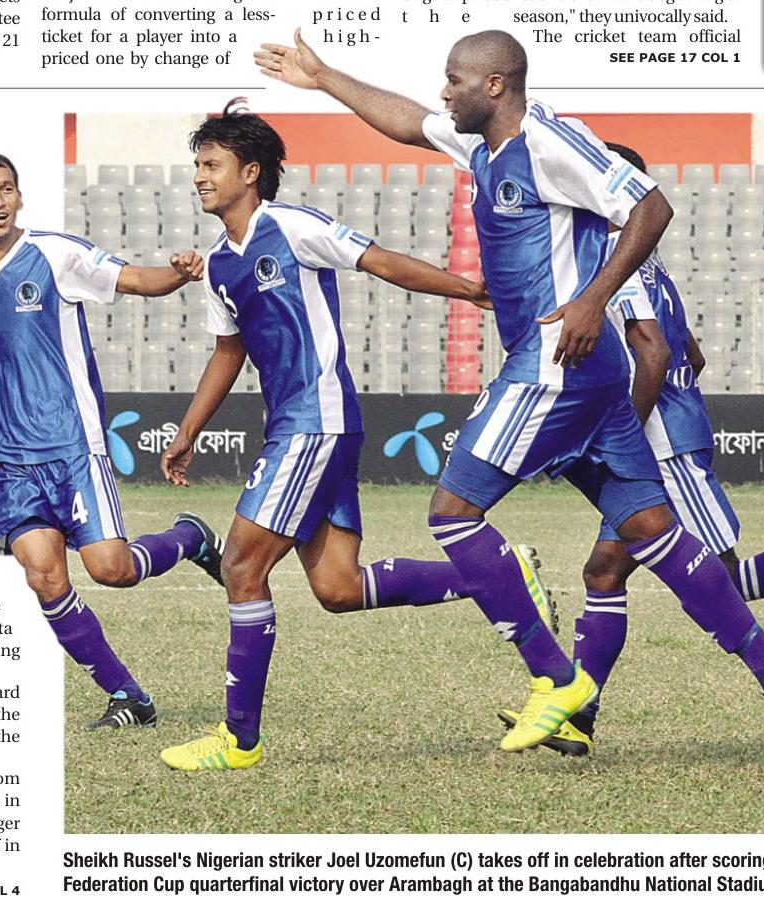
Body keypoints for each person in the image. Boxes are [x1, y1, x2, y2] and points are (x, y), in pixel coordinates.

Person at [255, 30, 764, 758]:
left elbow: (650, 206)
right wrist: (325, 76)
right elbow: (407, 122)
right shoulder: (480, 145)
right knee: (650, 531)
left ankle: (556, 680)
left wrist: (591, 299)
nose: (443, 92)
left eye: (455, 79)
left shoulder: (549, 140)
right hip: (587, 378)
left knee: (452, 513)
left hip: (554, 364)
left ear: (495, 84)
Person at [500, 142, 764, 758]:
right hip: (661, 437)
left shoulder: (614, 266)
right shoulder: (638, 264)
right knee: (604, 572)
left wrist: (621, 436)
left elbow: (656, 354)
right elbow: (691, 353)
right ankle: (579, 714)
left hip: (661, 447)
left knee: (718, 579)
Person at [155, 102, 551, 771]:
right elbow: (229, 352)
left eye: (212, 164)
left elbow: (379, 261)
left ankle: (237, 740)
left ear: (249, 172)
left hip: (316, 422)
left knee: (241, 568)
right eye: (197, 164)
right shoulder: (219, 264)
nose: (200, 176)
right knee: (338, 589)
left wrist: (465, 289)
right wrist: (188, 431)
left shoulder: (292, 226)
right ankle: (497, 574)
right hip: (300, 427)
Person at [0, 151, 224, 731]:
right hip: (7, 459)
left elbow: (137, 280)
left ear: (20, 196)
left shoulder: (55, 254)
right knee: (45, 579)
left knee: (111, 570)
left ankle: (191, 537)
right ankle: (129, 696)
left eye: (7, 188)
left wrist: (178, 272)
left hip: (72, 444)